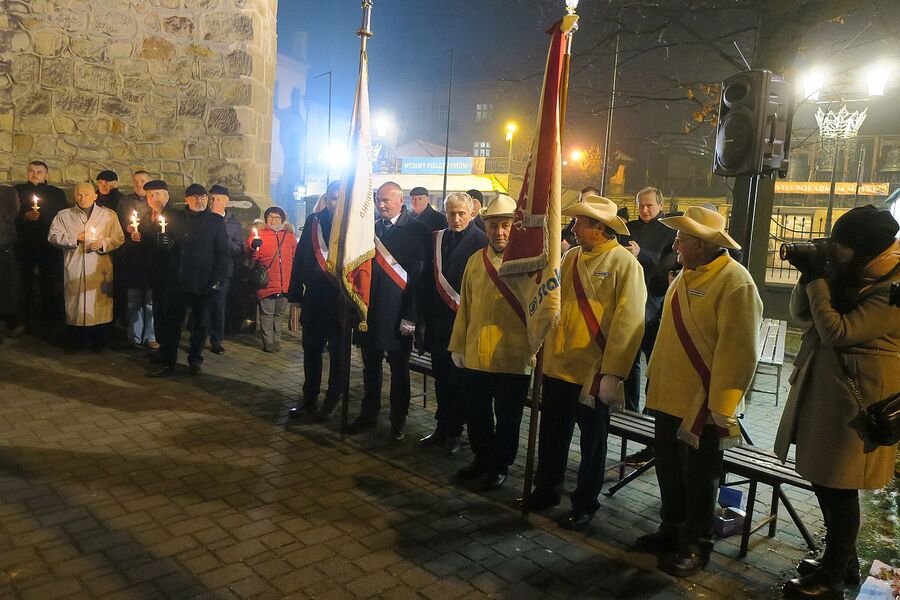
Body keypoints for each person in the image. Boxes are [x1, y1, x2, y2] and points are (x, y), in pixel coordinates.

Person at [775, 206, 899, 600]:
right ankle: (840, 559)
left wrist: (817, 280)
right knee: (823, 478)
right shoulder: (851, 272)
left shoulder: (893, 285)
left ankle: (832, 578)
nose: (835, 250)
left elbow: (838, 331)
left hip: (860, 405)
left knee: (840, 487)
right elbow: (799, 314)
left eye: (841, 246)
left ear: (863, 249)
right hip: (828, 394)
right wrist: (810, 274)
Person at [635, 206, 762, 577]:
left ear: (704, 244)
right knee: (670, 471)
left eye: (683, 237)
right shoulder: (685, 274)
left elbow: (740, 352)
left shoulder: (735, 282)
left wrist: (722, 408)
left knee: (700, 478)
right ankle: (671, 529)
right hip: (668, 397)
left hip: (701, 403)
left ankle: (697, 544)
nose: (675, 243)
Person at [526, 195, 646, 532]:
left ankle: (584, 503)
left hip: (593, 372)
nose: (574, 228)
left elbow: (629, 322)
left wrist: (614, 372)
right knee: (552, 435)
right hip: (559, 363)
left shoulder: (625, 264)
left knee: (592, 444)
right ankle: (547, 489)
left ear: (599, 227)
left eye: (580, 222)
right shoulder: (570, 256)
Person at [449, 194, 531, 490]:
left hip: (513, 356)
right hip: (477, 354)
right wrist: (458, 344)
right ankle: (482, 458)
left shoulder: (531, 262)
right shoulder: (475, 261)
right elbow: (465, 307)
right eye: (494, 225)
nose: (500, 232)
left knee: (508, 417)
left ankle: (501, 464)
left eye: (506, 225)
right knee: (477, 413)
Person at [348, 181, 430, 441]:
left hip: (398, 314)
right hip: (371, 312)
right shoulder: (370, 228)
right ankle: (369, 414)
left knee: (399, 370)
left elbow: (420, 279)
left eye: (386, 200)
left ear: (400, 200)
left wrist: (412, 316)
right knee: (370, 367)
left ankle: (398, 420)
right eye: (378, 200)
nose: (381, 205)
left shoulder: (417, 230)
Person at [419, 192, 487, 455]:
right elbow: (427, 280)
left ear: (472, 214)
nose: (456, 218)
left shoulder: (481, 241)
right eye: (451, 213)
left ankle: (456, 431)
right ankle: (442, 425)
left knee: (460, 381)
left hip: (464, 323)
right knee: (441, 377)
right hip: (438, 323)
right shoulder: (438, 238)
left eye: (461, 213)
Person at [622, 186, 677, 465]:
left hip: (653, 303)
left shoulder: (669, 230)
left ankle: (651, 412)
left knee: (652, 362)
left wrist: (641, 254)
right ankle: (631, 410)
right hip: (630, 299)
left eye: (649, 206)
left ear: (660, 204)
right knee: (629, 359)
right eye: (640, 205)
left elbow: (665, 265)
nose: (644, 210)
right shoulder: (628, 227)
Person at [149, 183, 228, 376]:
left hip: (203, 282)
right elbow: (165, 247)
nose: (199, 200)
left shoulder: (215, 222)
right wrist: (164, 244)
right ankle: (168, 361)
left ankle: (195, 359)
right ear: (187, 199)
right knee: (172, 325)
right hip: (178, 280)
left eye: (202, 197)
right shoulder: (175, 218)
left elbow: (222, 253)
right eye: (194, 197)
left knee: (200, 325)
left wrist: (217, 279)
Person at [288, 181, 344, 421]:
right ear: (327, 198)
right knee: (311, 351)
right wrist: (294, 293)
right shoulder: (315, 221)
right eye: (333, 198)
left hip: (341, 302)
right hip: (314, 299)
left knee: (338, 356)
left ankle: (333, 399)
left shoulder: (354, 225)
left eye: (341, 199)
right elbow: (300, 257)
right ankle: (309, 398)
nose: (335, 203)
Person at [47, 183, 125, 352]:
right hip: (75, 266)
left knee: (98, 305)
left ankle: (99, 342)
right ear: (75, 196)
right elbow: (53, 236)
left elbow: (118, 238)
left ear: (95, 196)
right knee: (76, 305)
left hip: (99, 268)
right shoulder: (64, 215)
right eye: (79, 195)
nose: (83, 198)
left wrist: (103, 243)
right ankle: (76, 341)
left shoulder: (108, 215)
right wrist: (75, 237)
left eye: (87, 195)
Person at [14, 160, 68, 335]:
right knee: (24, 284)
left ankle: (50, 322)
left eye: (39, 171)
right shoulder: (18, 191)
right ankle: (22, 321)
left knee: (50, 283)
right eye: (31, 171)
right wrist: (24, 217)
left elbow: (63, 217)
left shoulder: (56, 193)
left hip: (48, 246)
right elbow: (10, 215)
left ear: (46, 175)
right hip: (25, 244)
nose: (35, 174)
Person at [247, 206, 296, 353]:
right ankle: (268, 341)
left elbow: (295, 255)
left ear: (283, 219)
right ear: (266, 219)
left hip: (284, 282)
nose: (274, 220)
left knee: (279, 313)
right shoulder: (260, 233)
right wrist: (253, 246)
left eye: (277, 217)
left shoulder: (289, 235)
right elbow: (252, 255)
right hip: (267, 281)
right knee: (267, 313)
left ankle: (277, 340)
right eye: (271, 217)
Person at [115, 170, 156, 348]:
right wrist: (127, 228)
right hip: (131, 256)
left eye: (143, 181)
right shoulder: (125, 202)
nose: (139, 184)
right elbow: (118, 223)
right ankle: (134, 335)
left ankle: (151, 336)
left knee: (150, 300)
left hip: (149, 256)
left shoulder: (154, 201)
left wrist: (145, 234)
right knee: (133, 298)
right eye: (136, 181)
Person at [207, 184, 244, 355]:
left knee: (219, 307)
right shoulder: (202, 219)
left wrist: (224, 240)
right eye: (212, 198)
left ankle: (216, 340)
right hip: (204, 270)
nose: (214, 202)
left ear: (226, 202)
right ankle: (198, 338)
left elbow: (238, 249)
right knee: (202, 307)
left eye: (218, 199)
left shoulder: (234, 224)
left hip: (223, 272)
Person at [0, 184, 20, 342]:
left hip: (3, 246)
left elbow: (13, 215)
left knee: (6, 288)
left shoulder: (8, 192)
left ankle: (9, 322)